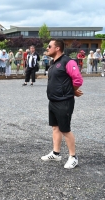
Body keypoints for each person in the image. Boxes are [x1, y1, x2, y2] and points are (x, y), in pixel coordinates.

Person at [41, 39, 83, 169]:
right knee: (55, 127)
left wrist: (73, 91)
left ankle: (73, 157)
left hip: (64, 101)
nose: (47, 48)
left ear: (57, 48)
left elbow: (78, 79)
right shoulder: (53, 63)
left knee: (65, 129)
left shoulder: (68, 61)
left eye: (49, 46)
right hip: (53, 100)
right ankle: (56, 153)